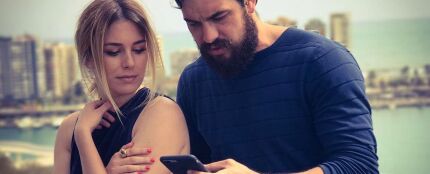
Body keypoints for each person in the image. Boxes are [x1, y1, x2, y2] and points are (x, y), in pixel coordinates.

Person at [174, 0, 379, 173]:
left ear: (250, 2)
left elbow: (360, 165)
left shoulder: (321, 60)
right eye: (193, 24)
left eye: (219, 17)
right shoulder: (193, 80)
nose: (208, 36)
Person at [53, 0, 189, 173]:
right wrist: (82, 133)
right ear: (88, 58)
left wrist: (84, 139)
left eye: (139, 49)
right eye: (114, 52)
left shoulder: (162, 114)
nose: (129, 63)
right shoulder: (70, 128)